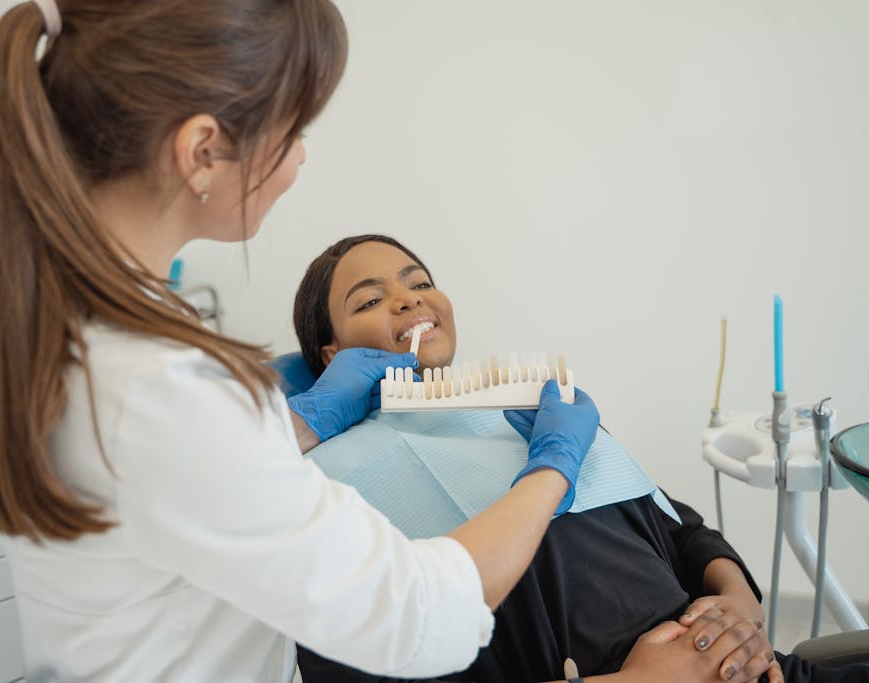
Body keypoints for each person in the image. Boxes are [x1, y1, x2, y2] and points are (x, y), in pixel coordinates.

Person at [0, 2, 658, 682]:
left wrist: (292, 423)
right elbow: (417, 617)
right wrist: (554, 467)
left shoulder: (83, 336)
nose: (298, 158)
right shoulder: (162, 388)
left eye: (416, 280)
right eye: (293, 129)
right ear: (203, 150)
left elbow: (193, 486)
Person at [289, 234, 869, 683]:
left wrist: (740, 611)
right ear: (331, 351)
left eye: (418, 281)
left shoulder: (537, 410)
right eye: (370, 298)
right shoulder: (319, 488)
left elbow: (678, 527)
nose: (407, 298)